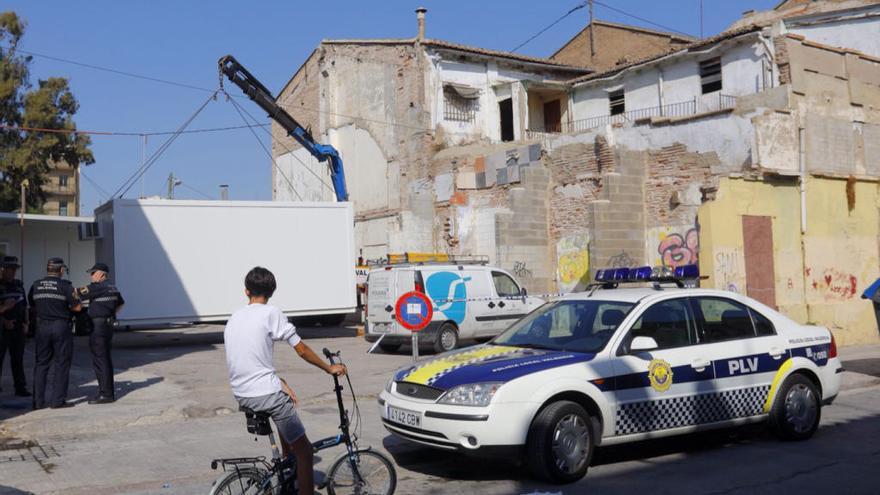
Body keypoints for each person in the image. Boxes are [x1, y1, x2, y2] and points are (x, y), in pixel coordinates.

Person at [224, 267, 346, 495]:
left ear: (246, 291)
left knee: (284, 400)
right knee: (307, 452)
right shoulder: (271, 313)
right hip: (264, 395)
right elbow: (301, 349)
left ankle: (288, 467)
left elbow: (247, 362)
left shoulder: (235, 317)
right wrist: (328, 368)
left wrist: (280, 382)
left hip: (242, 392)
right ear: (271, 292)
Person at [28, 257, 81, 409]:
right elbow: (77, 308)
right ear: (61, 270)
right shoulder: (66, 286)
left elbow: (32, 305)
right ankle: (57, 401)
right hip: (61, 327)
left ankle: (37, 402)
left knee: (41, 364)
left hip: (42, 327)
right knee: (62, 363)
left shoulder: (36, 285)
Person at [78, 262, 125, 404]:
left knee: (100, 360)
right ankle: (107, 391)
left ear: (102, 274)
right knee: (105, 358)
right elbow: (121, 303)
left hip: (98, 326)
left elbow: (77, 293)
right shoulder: (112, 287)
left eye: (93, 273)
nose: (91, 276)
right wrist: (109, 314)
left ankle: (106, 394)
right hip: (107, 325)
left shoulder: (97, 287)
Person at [0, 256, 30, 396]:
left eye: (14, 269)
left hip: (18, 327)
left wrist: (26, 323)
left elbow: (24, 307)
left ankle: (20, 387)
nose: (12, 272)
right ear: (2, 269)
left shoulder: (19, 285)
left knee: (17, 358)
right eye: (9, 269)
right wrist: (5, 320)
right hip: (2, 327)